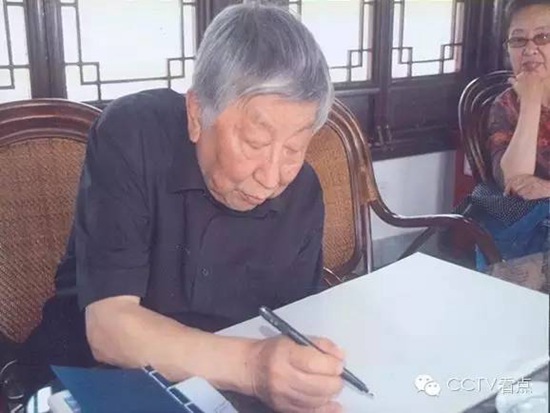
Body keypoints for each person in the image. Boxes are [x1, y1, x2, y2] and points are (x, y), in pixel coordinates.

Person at [17, 3, 346, 412]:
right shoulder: (133, 136)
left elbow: (295, 323)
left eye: (295, 148)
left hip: (225, 393)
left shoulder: (304, 191)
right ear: (196, 113)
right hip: (91, 378)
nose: (272, 176)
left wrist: (301, 378)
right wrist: (254, 368)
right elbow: (109, 329)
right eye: (256, 143)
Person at [476, 0, 550, 270]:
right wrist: (530, 102)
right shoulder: (505, 105)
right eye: (518, 40)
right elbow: (514, 181)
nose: (530, 49)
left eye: (543, 37)